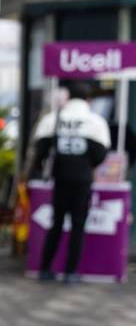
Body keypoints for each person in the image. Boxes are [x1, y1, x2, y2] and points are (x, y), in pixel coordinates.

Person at [31, 81, 110, 283]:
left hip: (60, 179)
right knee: (78, 225)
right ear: (87, 99)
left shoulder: (53, 119)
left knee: (56, 223)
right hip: (83, 181)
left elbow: (40, 150)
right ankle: (71, 272)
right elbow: (101, 154)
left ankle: (45, 269)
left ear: (67, 97)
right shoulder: (95, 121)